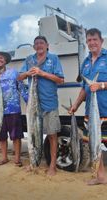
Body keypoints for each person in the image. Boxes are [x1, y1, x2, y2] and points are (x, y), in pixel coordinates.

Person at [18, 36, 64, 176]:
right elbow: (19, 77)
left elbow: (61, 80)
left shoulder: (54, 59)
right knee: (33, 134)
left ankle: (52, 165)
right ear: (34, 47)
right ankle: (33, 163)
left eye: (42, 43)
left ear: (47, 45)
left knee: (52, 135)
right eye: (37, 43)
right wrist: (28, 73)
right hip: (33, 106)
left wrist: (42, 73)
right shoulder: (29, 60)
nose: (39, 45)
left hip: (49, 103)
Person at [69, 28, 107, 185]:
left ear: (101, 41)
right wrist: (76, 105)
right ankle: (101, 177)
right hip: (91, 113)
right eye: (89, 40)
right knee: (94, 144)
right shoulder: (85, 62)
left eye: (95, 40)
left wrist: (101, 85)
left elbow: (97, 86)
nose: (92, 43)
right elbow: (84, 88)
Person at [0, 51, 28, 167]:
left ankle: (17, 159)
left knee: (16, 136)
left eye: (1, 58)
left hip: (14, 109)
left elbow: (21, 88)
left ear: (5, 60)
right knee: (2, 136)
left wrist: (29, 101)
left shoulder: (13, 73)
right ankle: (4, 158)